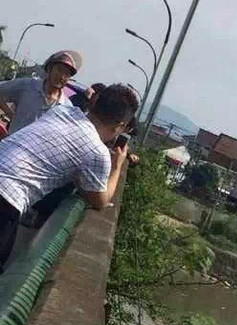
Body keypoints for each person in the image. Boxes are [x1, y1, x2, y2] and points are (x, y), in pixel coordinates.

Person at [0, 83, 139, 270]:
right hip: (7, 198)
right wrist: (117, 166)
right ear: (120, 126)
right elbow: (100, 199)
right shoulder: (97, 152)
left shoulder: (62, 111)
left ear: (95, 102)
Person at [0, 50, 81, 134]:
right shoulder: (27, 86)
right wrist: (11, 115)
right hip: (12, 144)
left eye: (67, 74)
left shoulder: (66, 107)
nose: (62, 76)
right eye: (59, 70)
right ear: (49, 69)